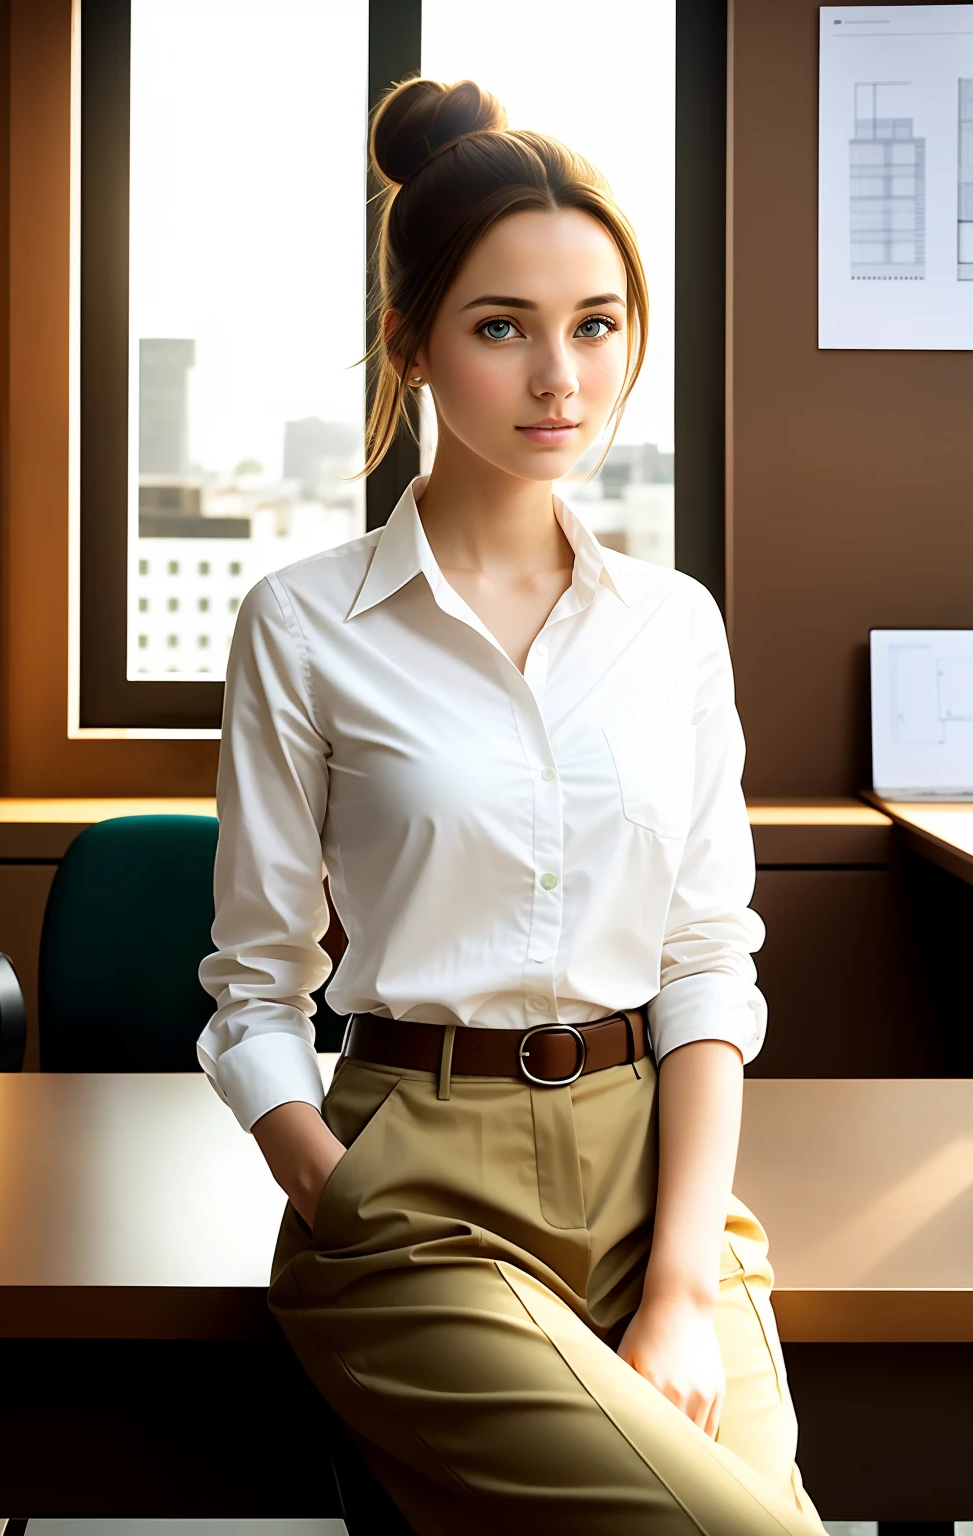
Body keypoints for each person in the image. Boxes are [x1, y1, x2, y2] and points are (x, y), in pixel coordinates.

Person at [197, 74, 825, 1536]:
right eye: (504, 328)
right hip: (411, 1191)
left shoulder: (671, 627)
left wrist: (677, 1286)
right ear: (412, 347)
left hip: (651, 1181)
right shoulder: (304, 624)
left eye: (596, 325)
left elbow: (704, 964)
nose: (564, 378)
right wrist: (339, 1190)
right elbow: (253, 990)